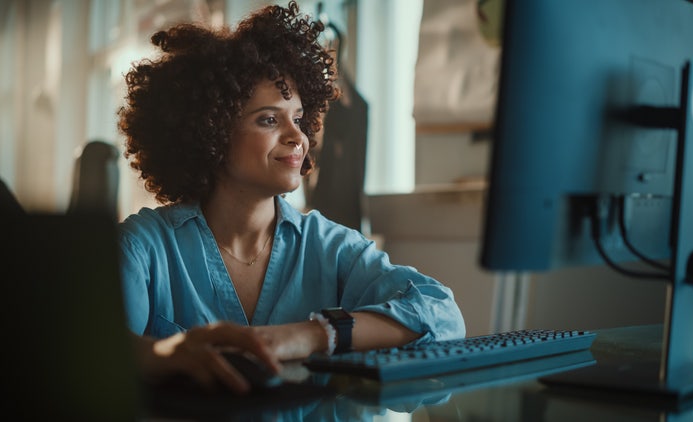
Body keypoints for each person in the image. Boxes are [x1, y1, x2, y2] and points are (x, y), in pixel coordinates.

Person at [117, 1, 465, 394]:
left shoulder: (331, 248)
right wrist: (167, 353)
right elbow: (90, 351)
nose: (298, 137)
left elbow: (442, 313)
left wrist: (314, 336)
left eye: (298, 118)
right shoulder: (143, 245)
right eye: (269, 119)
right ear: (210, 132)